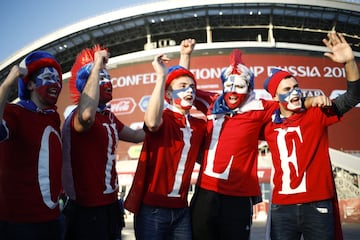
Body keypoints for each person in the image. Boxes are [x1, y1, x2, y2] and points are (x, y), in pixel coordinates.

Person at [262, 32, 360, 240]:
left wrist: (349, 62)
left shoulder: (317, 114)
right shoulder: (267, 123)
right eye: (287, 89)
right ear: (274, 96)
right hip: (282, 208)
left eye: (296, 87)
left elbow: (353, 96)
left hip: (317, 206)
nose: (295, 92)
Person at [61, 45, 145, 240]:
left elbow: (138, 136)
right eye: (101, 78)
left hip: (110, 207)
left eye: (108, 77)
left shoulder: (109, 117)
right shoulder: (76, 116)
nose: (107, 82)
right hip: (86, 210)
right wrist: (97, 64)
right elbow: (86, 115)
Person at [124, 51, 207, 239]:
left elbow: (205, 158)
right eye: (183, 87)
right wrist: (161, 76)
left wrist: (185, 56)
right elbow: (151, 123)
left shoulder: (199, 125)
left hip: (182, 210)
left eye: (193, 87)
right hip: (152, 211)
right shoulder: (163, 118)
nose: (189, 91)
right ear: (168, 94)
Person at [0, 51, 63, 240]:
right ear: (30, 84)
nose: (55, 83)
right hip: (20, 224)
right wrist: (8, 83)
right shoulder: (14, 112)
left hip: (52, 220)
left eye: (57, 79)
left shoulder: (53, 117)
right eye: (47, 78)